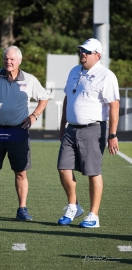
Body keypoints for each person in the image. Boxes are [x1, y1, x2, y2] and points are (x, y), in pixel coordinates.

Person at [0, 45, 49, 221]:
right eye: (6, 59)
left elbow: (44, 97)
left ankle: (22, 209)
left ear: (19, 61)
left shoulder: (30, 79)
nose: (8, 62)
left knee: (21, 171)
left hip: (18, 131)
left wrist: (34, 115)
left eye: (12, 59)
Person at [57, 38, 120, 228]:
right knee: (63, 167)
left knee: (93, 172)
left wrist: (112, 134)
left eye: (87, 51)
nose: (82, 53)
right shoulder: (74, 71)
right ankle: (73, 206)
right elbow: (68, 98)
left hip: (93, 129)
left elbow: (114, 105)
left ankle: (93, 215)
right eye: (81, 50)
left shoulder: (106, 75)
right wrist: (62, 125)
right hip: (71, 129)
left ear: (97, 55)